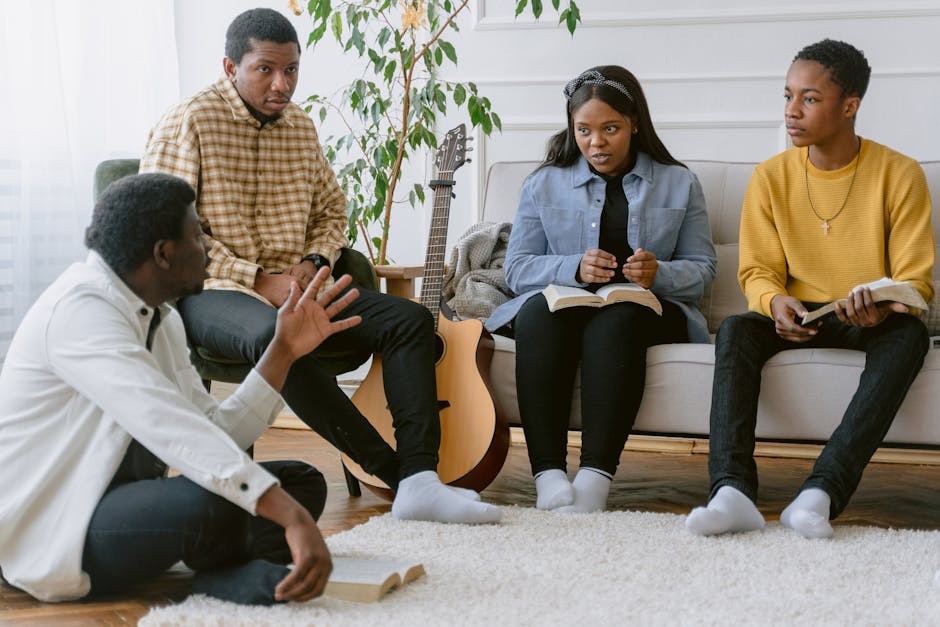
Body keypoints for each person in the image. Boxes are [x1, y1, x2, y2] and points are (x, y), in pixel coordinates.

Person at [139, 8, 500, 525]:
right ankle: (396, 476)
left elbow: (332, 210)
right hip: (213, 291)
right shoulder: (189, 121)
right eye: (265, 69)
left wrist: (312, 262)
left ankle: (422, 478)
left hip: (299, 289)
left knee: (410, 320)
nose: (281, 84)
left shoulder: (301, 127)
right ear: (229, 67)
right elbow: (167, 232)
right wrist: (261, 281)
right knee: (279, 337)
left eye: (291, 70)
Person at [0, 173, 365, 604]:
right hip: (61, 525)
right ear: (163, 254)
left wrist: (282, 350)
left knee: (301, 483)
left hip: (121, 501)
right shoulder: (80, 310)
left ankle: (224, 568)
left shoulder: (162, 319)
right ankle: (225, 574)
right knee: (219, 508)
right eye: (197, 235)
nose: (209, 247)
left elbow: (215, 432)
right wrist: (288, 517)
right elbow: (167, 425)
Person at [685, 39, 934, 539]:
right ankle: (731, 491)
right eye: (786, 96)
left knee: (910, 339)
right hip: (799, 316)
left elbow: (915, 280)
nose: (791, 112)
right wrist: (775, 303)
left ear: (850, 106)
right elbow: (757, 271)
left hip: (869, 319)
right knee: (737, 329)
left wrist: (883, 306)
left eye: (809, 99)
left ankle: (819, 494)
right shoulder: (770, 177)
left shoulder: (899, 174)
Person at [485, 66, 717, 513]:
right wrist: (574, 266)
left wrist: (658, 274)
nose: (596, 143)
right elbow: (516, 268)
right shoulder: (543, 183)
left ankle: (594, 478)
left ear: (634, 122)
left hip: (644, 309)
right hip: (567, 304)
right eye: (584, 131)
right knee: (536, 313)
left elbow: (704, 269)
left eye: (609, 129)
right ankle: (548, 474)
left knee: (619, 318)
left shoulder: (679, 182)